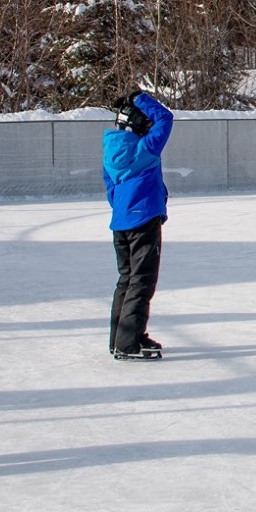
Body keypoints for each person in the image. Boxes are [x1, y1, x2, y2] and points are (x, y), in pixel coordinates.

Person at [105, 89, 175, 359]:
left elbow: (111, 189)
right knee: (142, 282)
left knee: (126, 280)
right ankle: (127, 344)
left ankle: (122, 337)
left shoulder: (111, 152)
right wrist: (138, 98)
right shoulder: (144, 149)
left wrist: (125, 208)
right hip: (143, 221)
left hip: (121, 223)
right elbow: (165, 118)